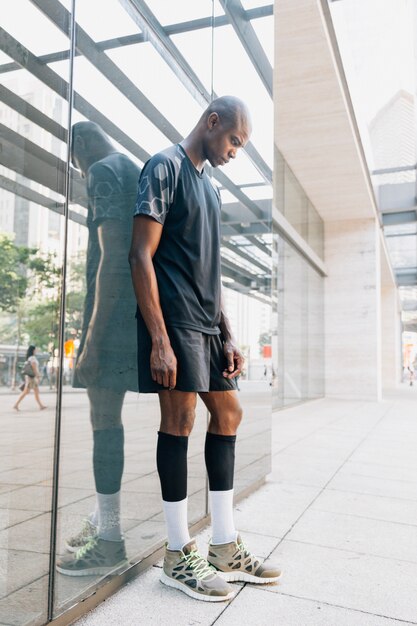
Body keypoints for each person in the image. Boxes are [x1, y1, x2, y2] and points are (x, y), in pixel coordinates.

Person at [129, 96, 281, 602]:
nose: (236, 151)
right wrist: (158, 339)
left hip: (209, 326)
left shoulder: (210, 191)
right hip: (172, 323)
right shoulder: (164, 167)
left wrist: (229, 334)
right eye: (234, 140)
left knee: (230, 414)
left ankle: (223, 544)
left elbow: (210, 272)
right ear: (212, 123)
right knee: (179, 422)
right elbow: (140, 255)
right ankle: (177, 554)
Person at [56, 122, 139, 576]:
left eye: (75, 162)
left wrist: (91, 339)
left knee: (104, 422)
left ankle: (109, 538)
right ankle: (99, 519)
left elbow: (112, 255)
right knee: (110, 421)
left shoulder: (103, 170)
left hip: (110, 318)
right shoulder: (136, 167)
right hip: (135, 313)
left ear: (81, 144)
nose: (79, 170)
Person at [13, 345, 47, 411]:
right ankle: (16, 405)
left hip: (30, 377)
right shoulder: (32, 358)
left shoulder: (29, 358)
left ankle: (41, 406)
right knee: (27, 392)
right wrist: (38, 376)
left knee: (32, 391)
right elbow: (34, 368)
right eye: (35, 349)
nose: (36, 351)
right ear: (33, 350)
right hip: (31, 377)